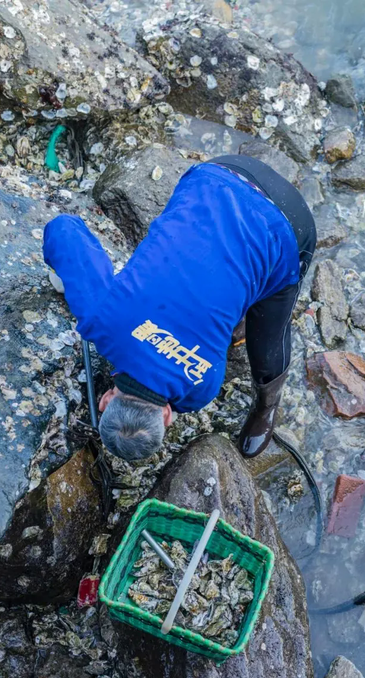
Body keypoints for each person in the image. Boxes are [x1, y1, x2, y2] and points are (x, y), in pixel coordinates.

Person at [43, 155, 316, 461]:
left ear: (166, 418)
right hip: (220, 174)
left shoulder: (202, 388)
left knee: (267, 337)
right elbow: (63, 228)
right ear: (107, 400)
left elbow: (178, 378)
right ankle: (246, 325)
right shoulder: (98, 319)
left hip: (287, 225)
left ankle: (267, 405)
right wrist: (66, 278)